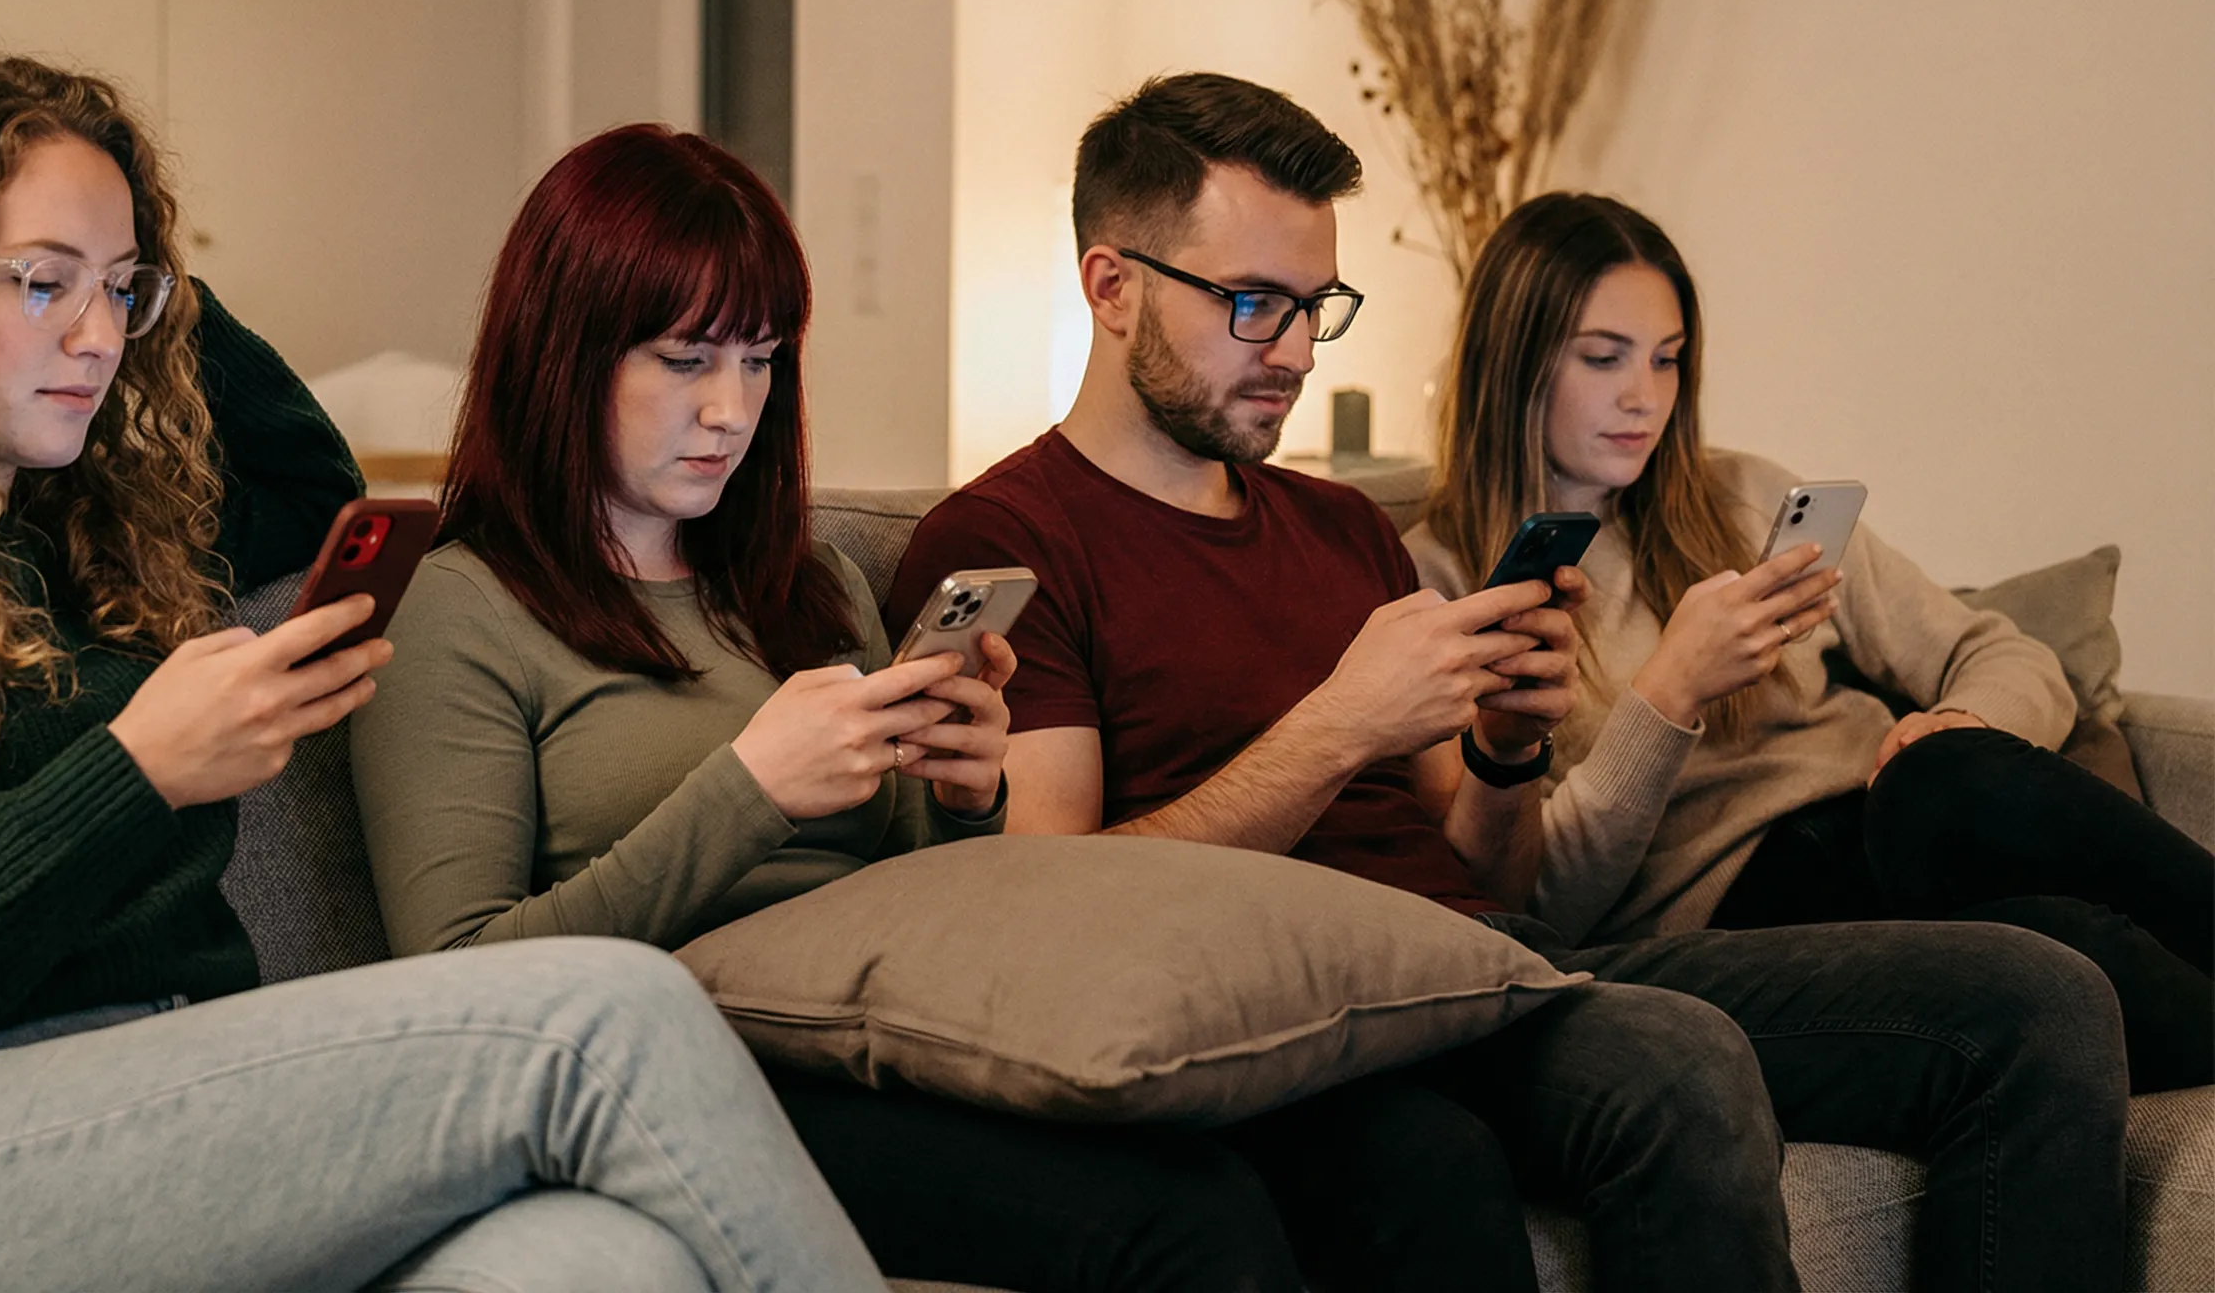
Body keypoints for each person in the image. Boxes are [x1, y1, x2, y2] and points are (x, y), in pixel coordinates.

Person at [0, 48, 886, 1293]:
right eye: (42, 281)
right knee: (606, 1012)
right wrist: (133, 773)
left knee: (592, 1263)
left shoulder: (100, 552)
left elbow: (308, 476)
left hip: (150, 1110)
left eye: (123, 291)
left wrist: (128, 244)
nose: (101, 337)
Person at [890, 72, 2130, 1293]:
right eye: (1253, 303)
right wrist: (1335, 727)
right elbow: (1051, 916)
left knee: (2038, 999)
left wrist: (1503, 746)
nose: (1294, 354)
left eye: (1318, 306)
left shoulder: (1341, 531)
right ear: (1110, 286)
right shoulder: (1008, 542)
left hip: (1493, 963)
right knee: (1672, 1062)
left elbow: (1494, 878)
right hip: (1296, 1005)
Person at [357, 122, 1311, 1293]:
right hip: (686, 1078)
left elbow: (905, 895)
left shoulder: (806, 585)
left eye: (759, 361)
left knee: (1258, 1172)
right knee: (1178, 1223)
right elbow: (459, 984)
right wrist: (748, 792)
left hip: (883, 1043)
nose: (730, 410)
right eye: (685, 358)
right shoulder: (464, 605)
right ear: (565, 351)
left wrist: (965, 795)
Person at [1408, 189, 2214, 1092]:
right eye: (1603, 358)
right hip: (1749, 909)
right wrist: (1668, 693)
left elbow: (2009, 655)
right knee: (2072, 947)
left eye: (1668, 361)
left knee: (1947, 777)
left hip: (1896, 822)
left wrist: (1953, 719)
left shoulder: (1744, 498)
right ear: (1511, 362)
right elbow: (1542, 906)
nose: (1644, 397)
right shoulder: (1433, 587)